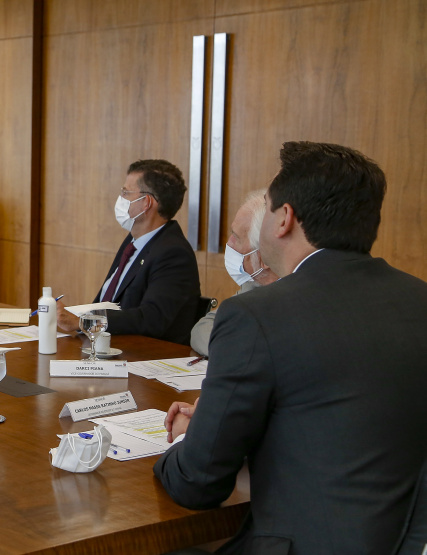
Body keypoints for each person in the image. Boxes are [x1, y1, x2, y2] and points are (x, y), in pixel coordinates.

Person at [154, 142, 427, 554]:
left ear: (284, 219)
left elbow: (197, 484)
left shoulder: (257, 314)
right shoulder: (418, 300)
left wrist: (187, 442)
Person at [57, 159, 200, 345]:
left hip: (145, 356)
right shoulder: (133, 241)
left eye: (126, 192)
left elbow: (152, 318)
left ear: (146, 203)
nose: (120, 198)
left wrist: (84, 322)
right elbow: (106, 302)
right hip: (107, 347)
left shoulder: (173, 253)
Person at [189, 190, 279, 356]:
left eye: (237, 238)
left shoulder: (293, 295)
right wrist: (231, 350)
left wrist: (233, 349)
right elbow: (203, 327)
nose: (228, 244)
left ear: (265, 257)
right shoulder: (253, 285)